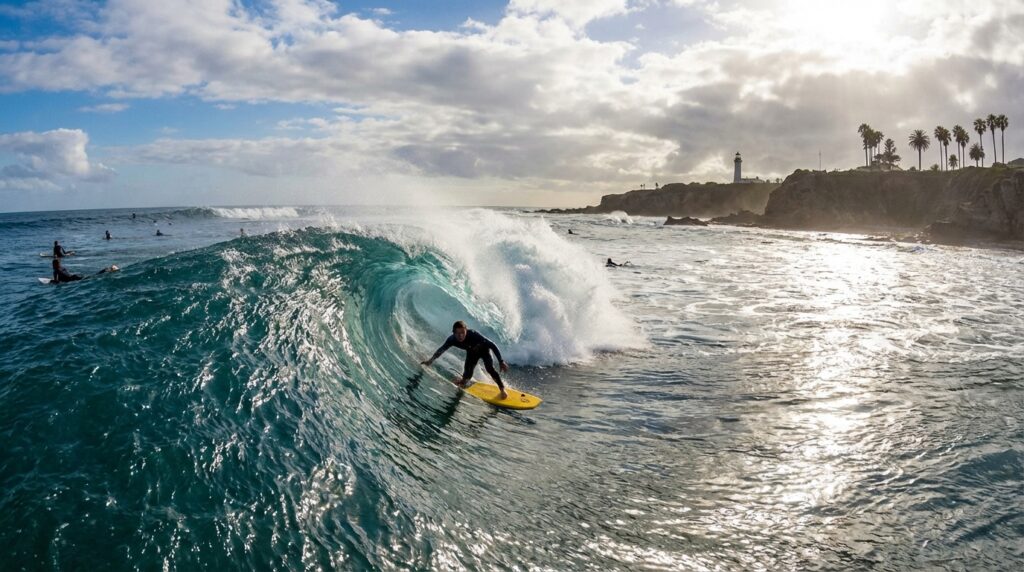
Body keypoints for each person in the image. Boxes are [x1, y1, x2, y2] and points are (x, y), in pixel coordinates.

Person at [421, 320, 510, 400]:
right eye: (458, 333)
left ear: (466, 331)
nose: (460, 336)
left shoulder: (474, 335)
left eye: (463, 333)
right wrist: (430, 361)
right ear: (453, 333)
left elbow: (492, 345)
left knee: (489, 368)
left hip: (485, 351)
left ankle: (502, 389)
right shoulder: (452, 340)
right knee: (467, 376)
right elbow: (441, 350)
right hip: (472, 353)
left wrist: (501, 361)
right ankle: (463, 380)